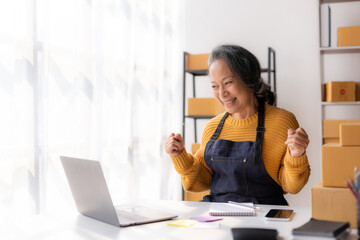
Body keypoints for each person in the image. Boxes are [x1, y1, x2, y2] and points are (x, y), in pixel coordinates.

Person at [165, 44, 310, 205]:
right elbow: (199, 183)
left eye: (228, 82)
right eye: (214, 86)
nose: (221, 94)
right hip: (220, 218)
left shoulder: (282, 121)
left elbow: (292, 186)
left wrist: (296, 155)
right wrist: (179, 156)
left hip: (265, 219)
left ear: (249, 78)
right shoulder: (212, 128)